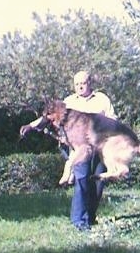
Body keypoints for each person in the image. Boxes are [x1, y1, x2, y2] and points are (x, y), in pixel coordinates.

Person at [20, 70, 116, 231]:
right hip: (79, 148)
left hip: (100, 147)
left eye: (83, 83)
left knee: (98, 183)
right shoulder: (69, 102)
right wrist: (31, 125)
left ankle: (90, 218)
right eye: (77, 84)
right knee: (82, 179)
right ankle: (79, 221)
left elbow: (113, 119)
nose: (80, 87)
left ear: (90, 83)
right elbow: (49, 117)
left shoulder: (102, 100)